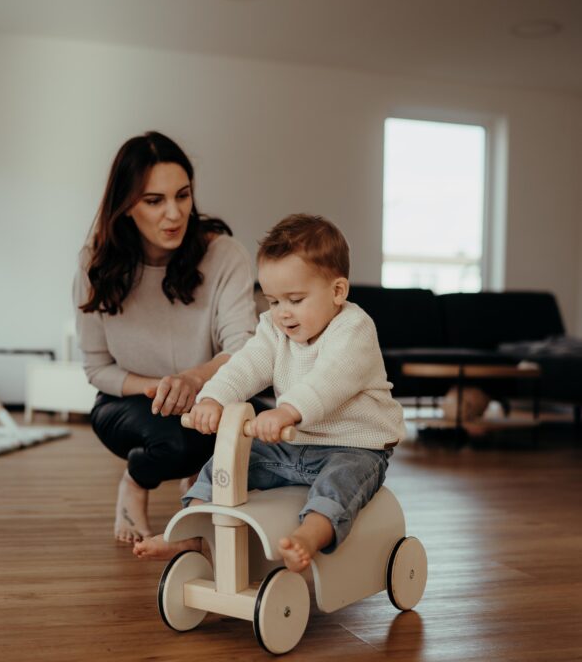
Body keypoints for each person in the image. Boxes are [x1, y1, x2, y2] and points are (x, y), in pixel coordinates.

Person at [134, 213, 406, 571]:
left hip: (354, 446)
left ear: (337, 291)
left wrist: (287, 411)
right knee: (228, 462)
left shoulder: (353, 329)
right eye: (274, 301)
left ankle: (309, 535)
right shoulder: (274, 331)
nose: (282, 314)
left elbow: (329, 380)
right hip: (293, 444)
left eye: (295, 299)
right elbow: (246, 365)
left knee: (339, 484)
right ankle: (192, 529)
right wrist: (213, 398)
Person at [73, 131, 257, 545]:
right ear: (126, 207)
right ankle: (135, 482)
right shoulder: (95, 265)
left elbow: (244, 347)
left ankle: (198, 485)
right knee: (173, 440)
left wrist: (194, 380)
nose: (173, 214)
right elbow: (97, 368)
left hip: (212, 393)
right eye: (154, 201)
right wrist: (160, 388)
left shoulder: (225, 255)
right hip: (130, 402)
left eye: (183, 195)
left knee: (259, 432)